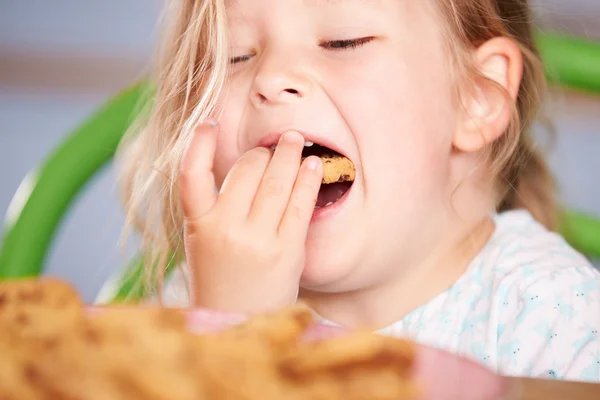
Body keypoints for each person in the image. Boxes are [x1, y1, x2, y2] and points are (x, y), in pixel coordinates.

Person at [117, 0, 600, 384]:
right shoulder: (195, 298)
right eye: (235, 56)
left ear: (474, 96)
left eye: (342, 41)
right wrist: (226, 333)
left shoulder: (555, 319)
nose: (270, 78)